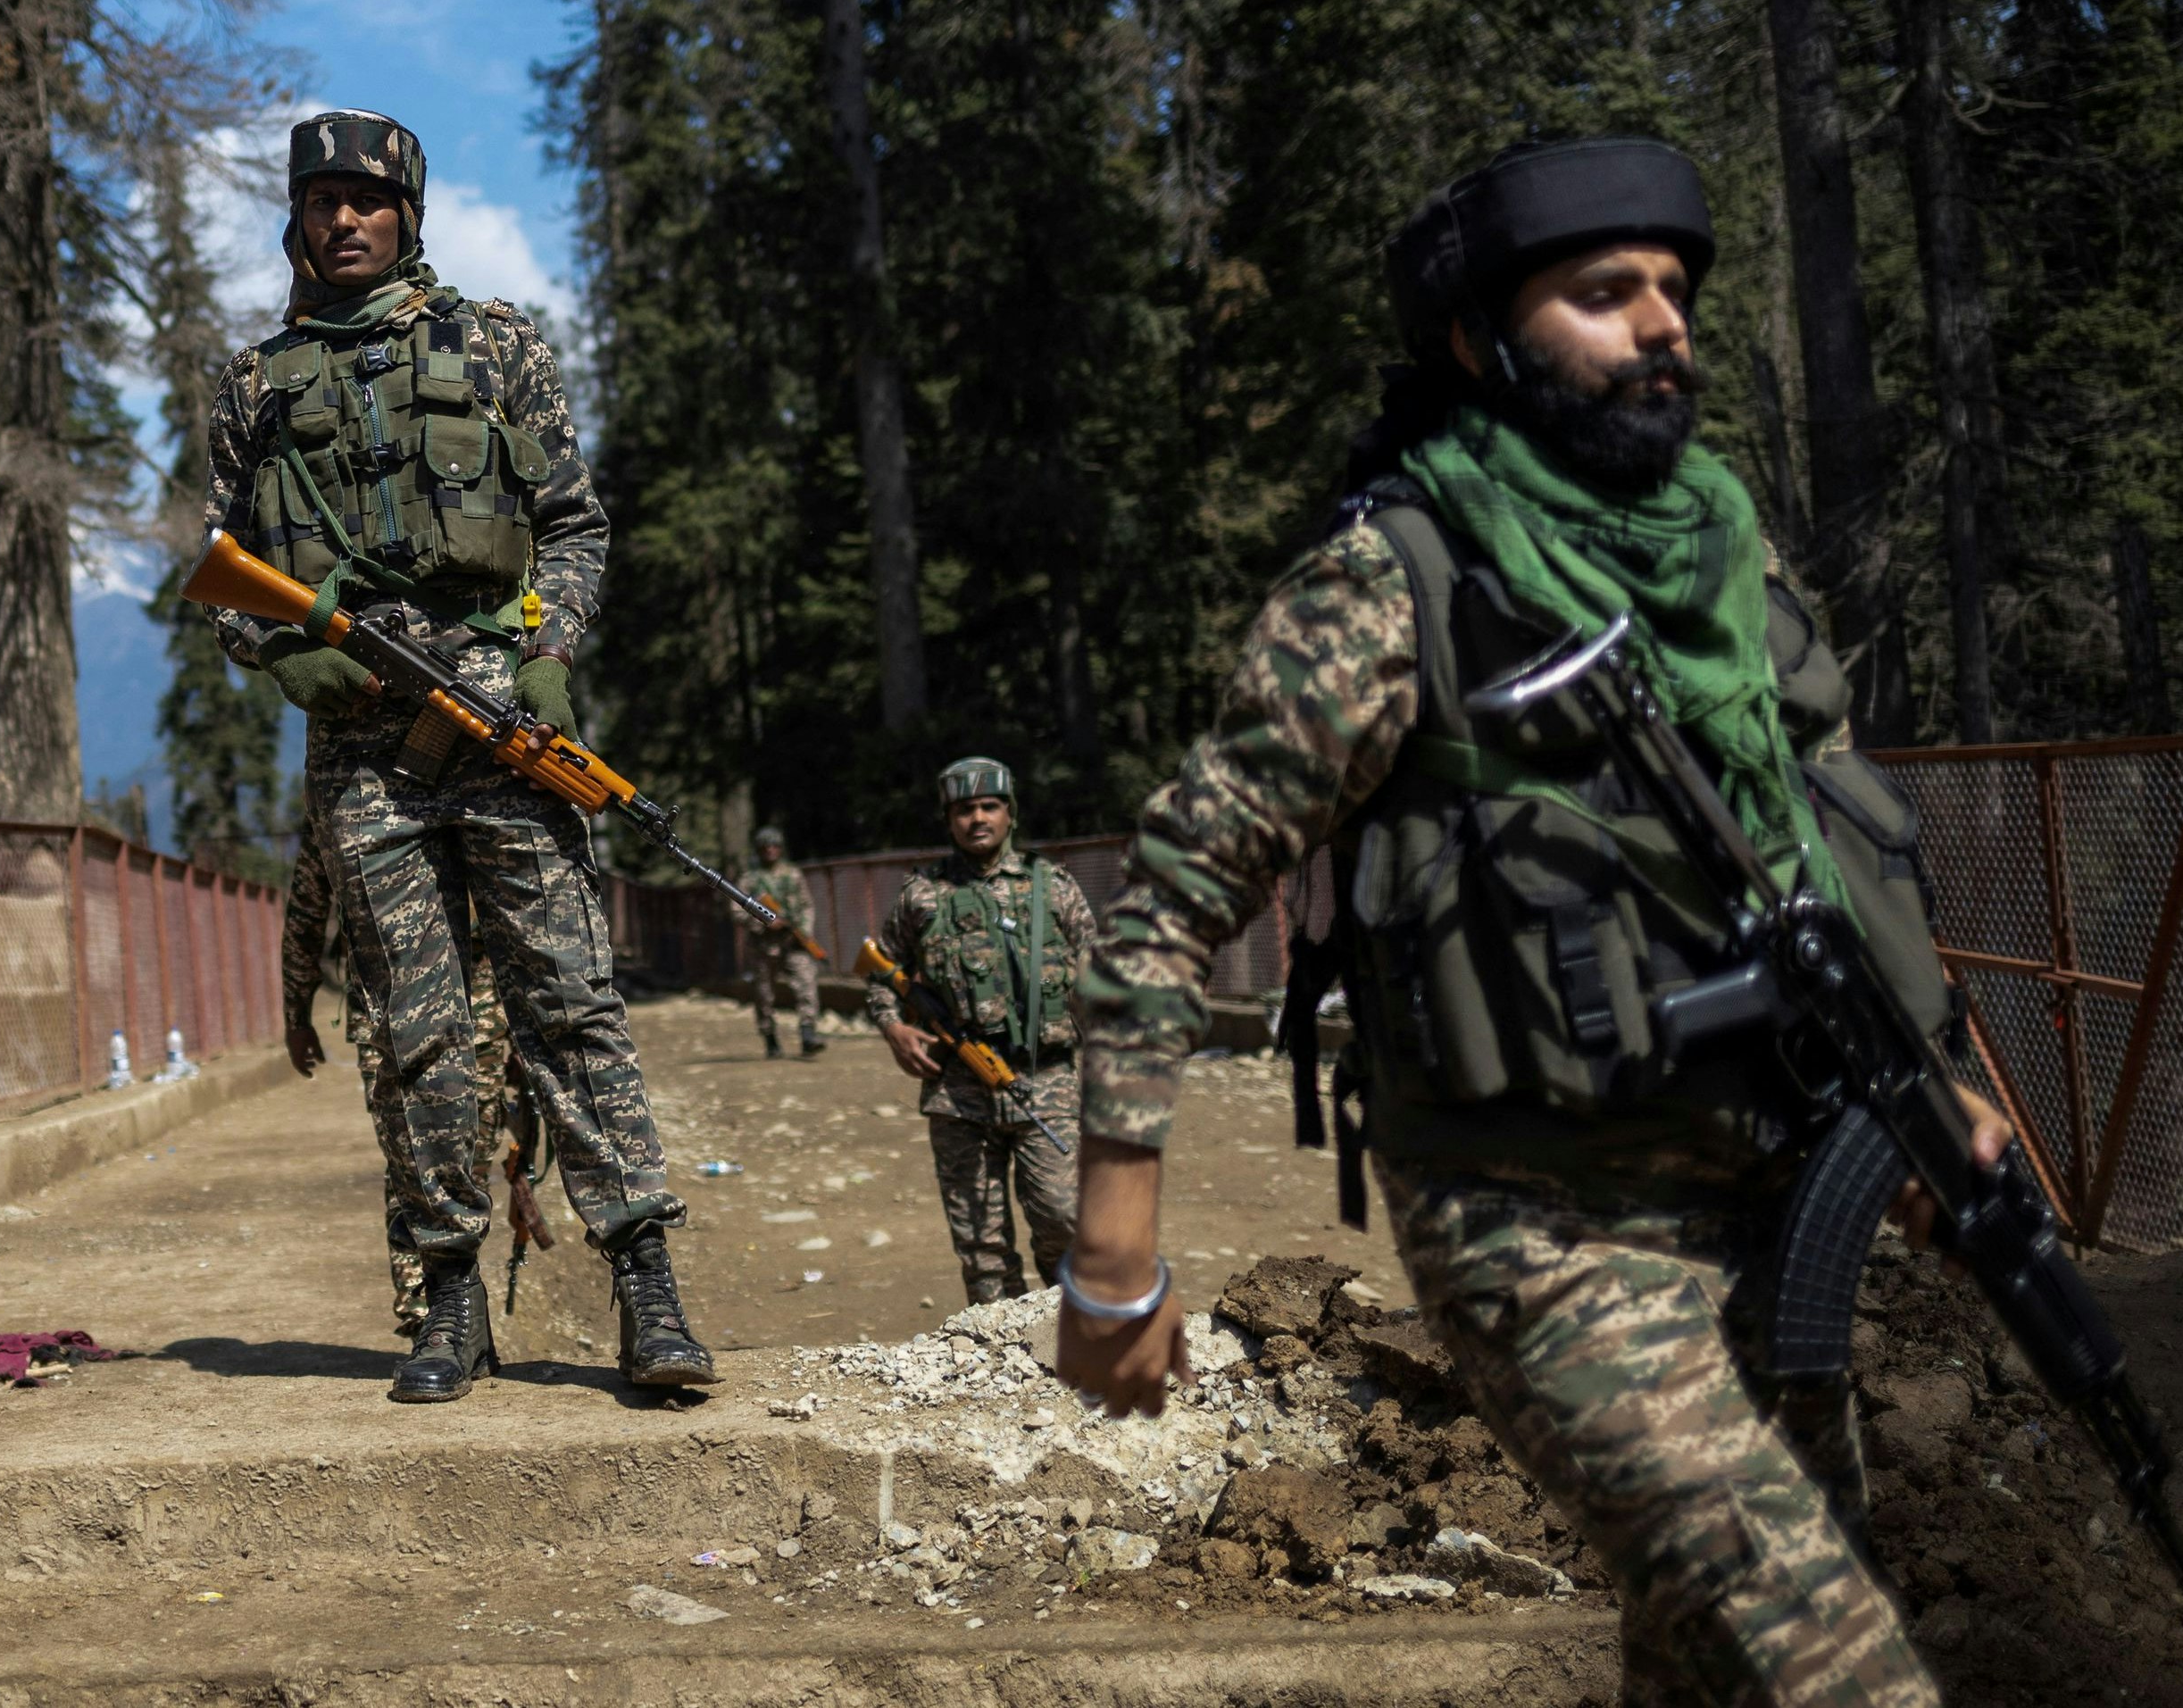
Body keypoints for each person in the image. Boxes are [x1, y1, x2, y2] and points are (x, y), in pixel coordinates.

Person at [1049, 137, 2008, 1705]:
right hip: (1542, 1226)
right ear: (1477, 342)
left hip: (1773, 1203)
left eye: (1676, 293)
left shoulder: (1724, 563)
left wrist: (1932, 1076)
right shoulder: (1392, 584)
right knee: (1838, 1668)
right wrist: (1114, 1246)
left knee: (1718, 1658)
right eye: (1604, 293)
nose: (1664, 326)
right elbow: (1170, 895)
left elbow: (1835, 849)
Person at [203, 108, 712, 1404]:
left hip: (508, 722)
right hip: (364, 757)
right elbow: (219, 576)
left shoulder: (496, 346)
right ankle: (446, 1300)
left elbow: (577, 526)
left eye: (371, 200)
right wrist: (285, 656)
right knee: (414, 1030)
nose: (347, 219)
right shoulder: (255, 387)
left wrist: (551, 651)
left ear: (408, 215)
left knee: (568, 1000)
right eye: (324, 199)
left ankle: (645, 1276)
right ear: (298, 219)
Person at [859, 758, 1094, 1305]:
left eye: (990, 806)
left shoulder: (1054, 887)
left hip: (1047, 1081)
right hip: (958, 1088)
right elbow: (878, 970)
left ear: (1010, 814)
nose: (978, 819)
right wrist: (893, 1026)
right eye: (965, 810)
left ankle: (1074, 1322)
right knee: (981, 1241)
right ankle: (1002, 1349)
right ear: (949, 820)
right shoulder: (922, 895)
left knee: (1065, 1214)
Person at [278, 803, 516, 1337]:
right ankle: (428, 1313)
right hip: (389, 1005)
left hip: (477, 1003)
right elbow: (308, 908)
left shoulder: (469, 788)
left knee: (469, 1153)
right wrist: (296, 1013)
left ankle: (457, 1308)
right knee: (410, 1155)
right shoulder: (341, 799)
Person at [744, 826, 824, 1059]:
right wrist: (764, 923)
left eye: (774, 846)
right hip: (763, 946)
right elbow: (737, 911)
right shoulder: (750, 879)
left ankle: (808, 1034)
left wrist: (803, 931)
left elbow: (807, 906)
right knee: (764, 994)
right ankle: (770, 1038)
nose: (770, 850)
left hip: (793, 942)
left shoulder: (793, 875)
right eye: (765, 847)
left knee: (807, 984)